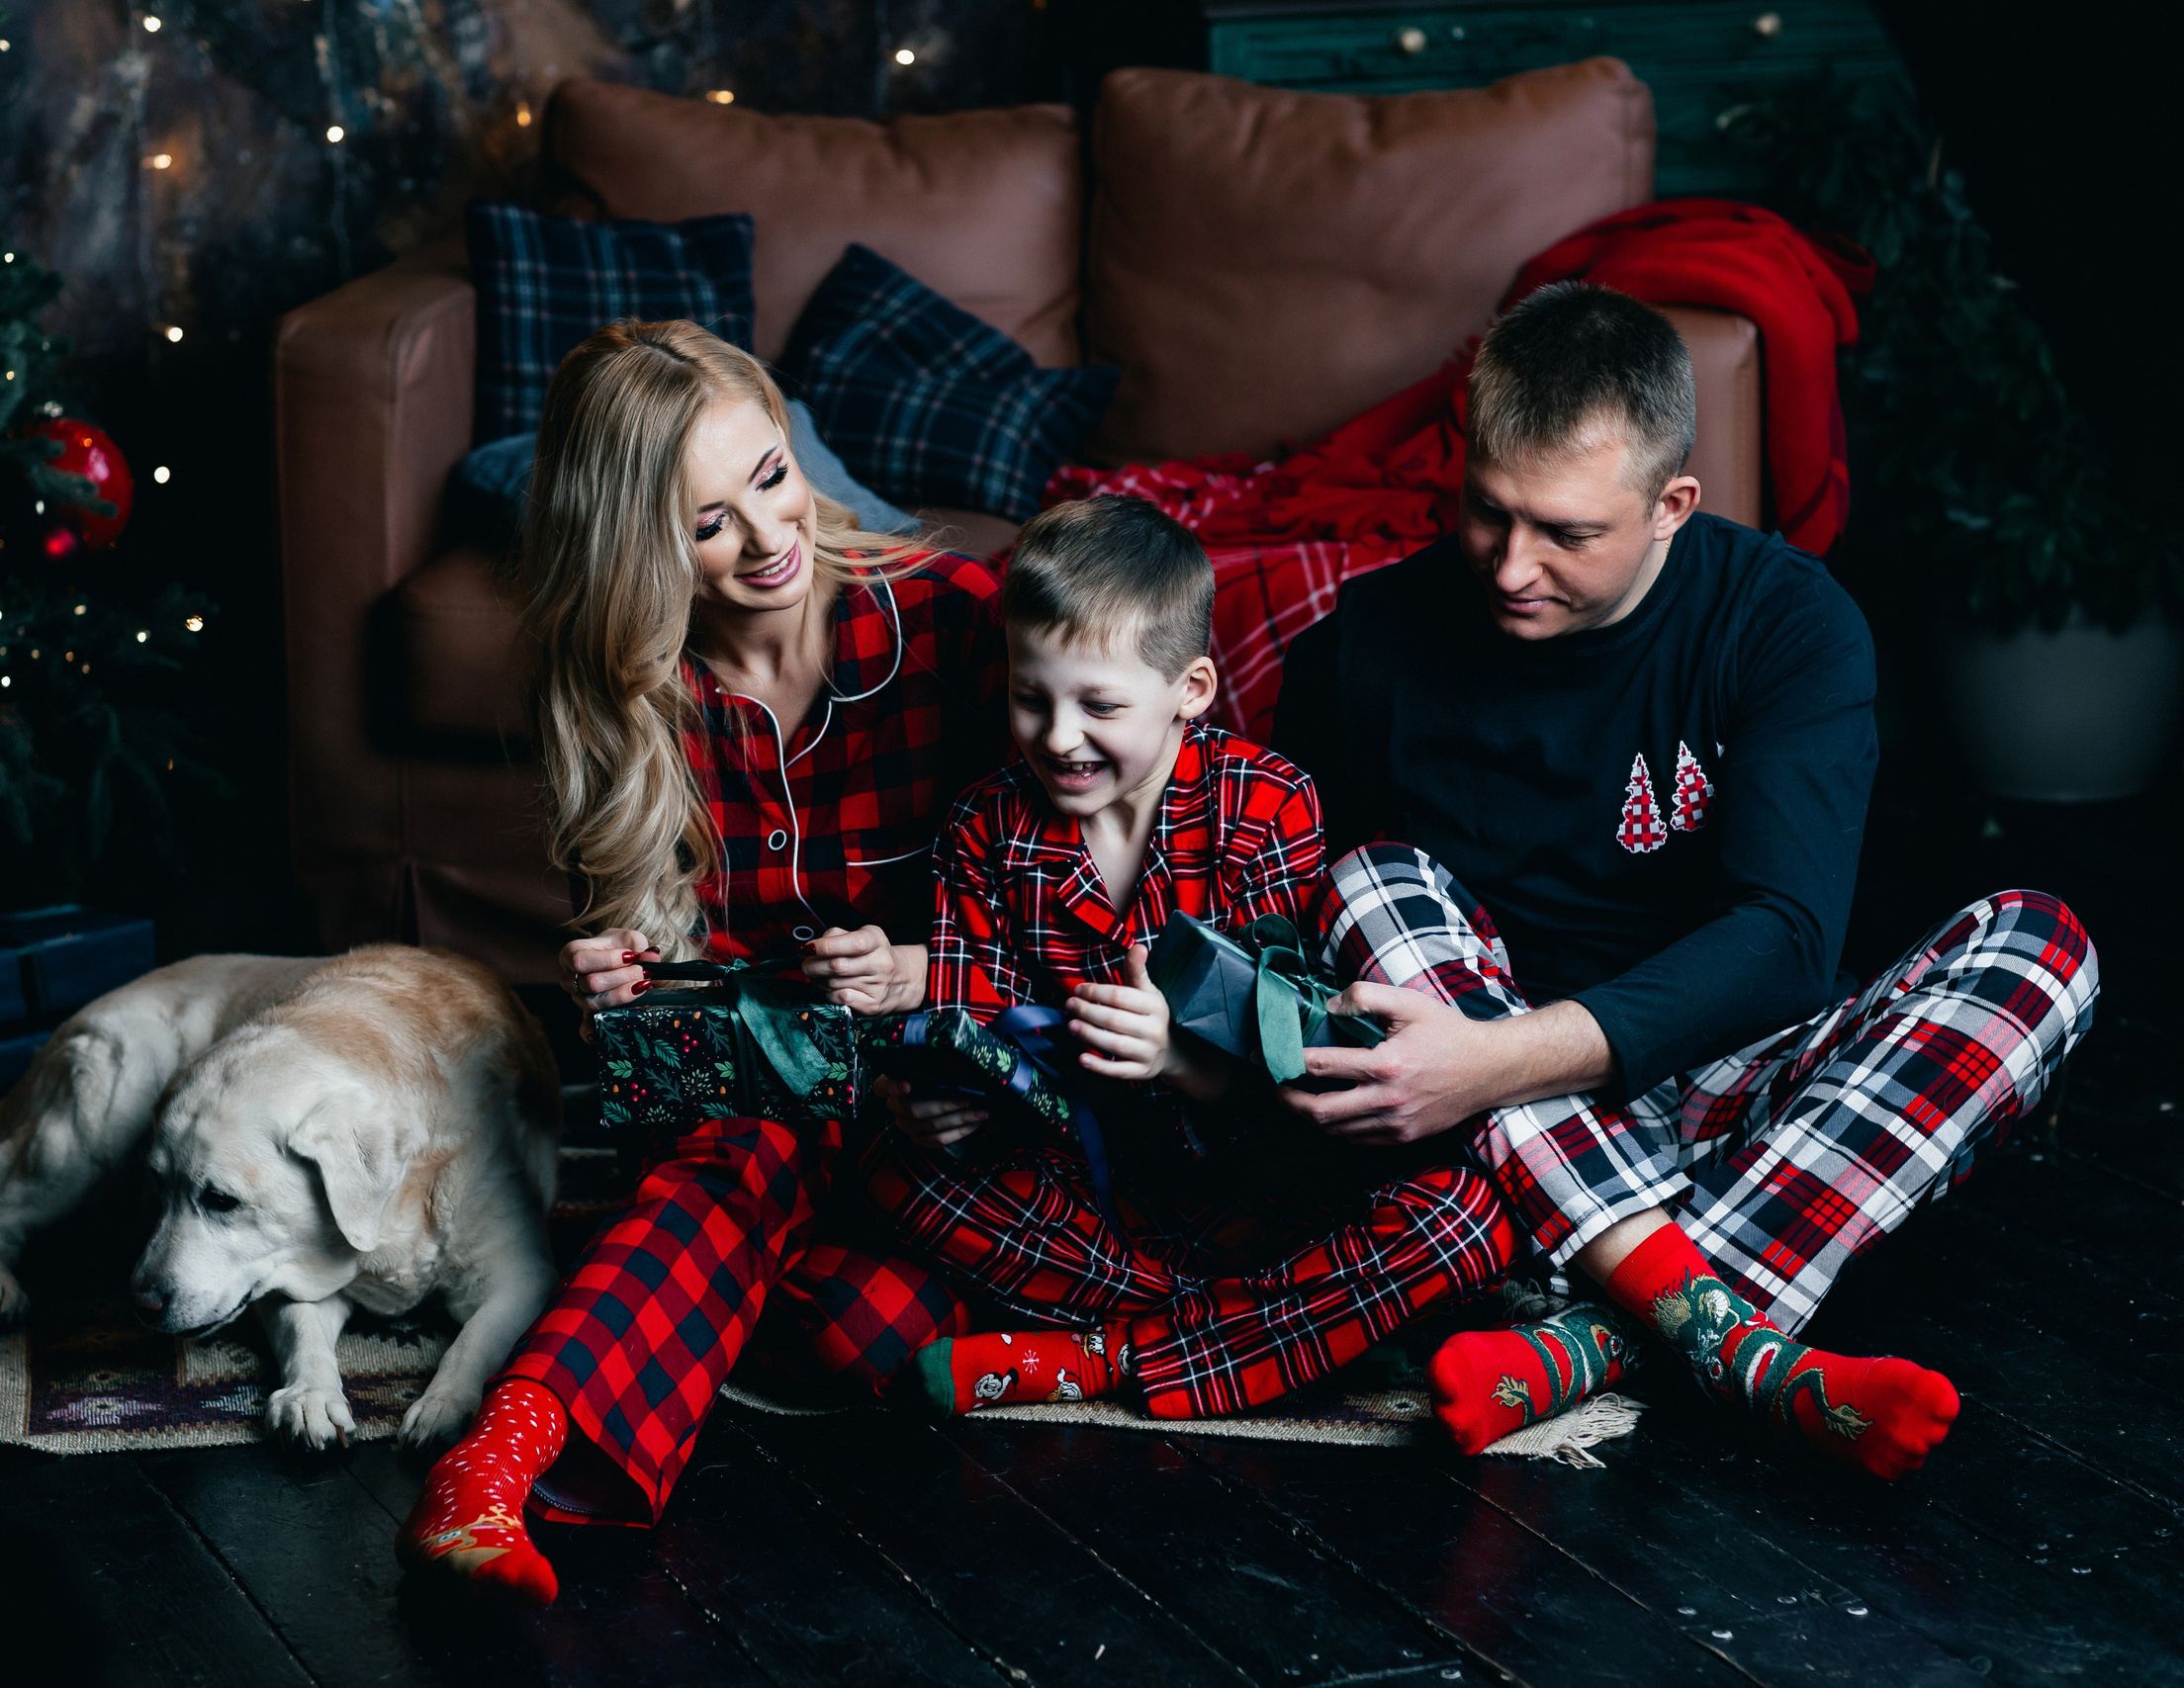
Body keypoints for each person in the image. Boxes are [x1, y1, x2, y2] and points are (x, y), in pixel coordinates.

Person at [1272, 282, 2099, 1479]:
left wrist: (1495, 1060)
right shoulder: (1365, 647)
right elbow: (1291, 933)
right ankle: (1740, 1339)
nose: (1510, 566)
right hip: (1490, 1134)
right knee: (1369, 880)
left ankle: (1593, 1339)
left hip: (1726, 1086)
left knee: (2042, 946)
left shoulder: (1785, 623)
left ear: (1672, 505)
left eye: (1565, 534)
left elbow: (1784, 943)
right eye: (1487, 513)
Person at [395, 319, 1007, 1603]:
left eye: (772, 477)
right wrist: (624, 998)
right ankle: (501, 1458)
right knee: (794, 1210)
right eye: (707, 523)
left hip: (947, 1085)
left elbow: (1063, 902)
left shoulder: (956, 622)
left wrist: (926, 986)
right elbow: (669, 1058)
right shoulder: (626, 694)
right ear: (638, 551)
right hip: (748, 1112)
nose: (770, 538)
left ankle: (562, 1398)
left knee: (849, 1311)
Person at [869, 495, 1515, 1420]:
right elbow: (982, 1043)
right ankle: (1284, 1336)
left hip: (1264, 1188)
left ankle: (1108, 1357)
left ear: (1193, 688)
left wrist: (1173, 1058)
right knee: (890, 1170)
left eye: (1099, 705)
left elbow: (1300, 1084)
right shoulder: (986, 829)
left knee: (1463, 1219)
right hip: (1088, 1204)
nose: (1058, 736)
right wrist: (949, 1101)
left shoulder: (1267, 804)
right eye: (1030, 696)